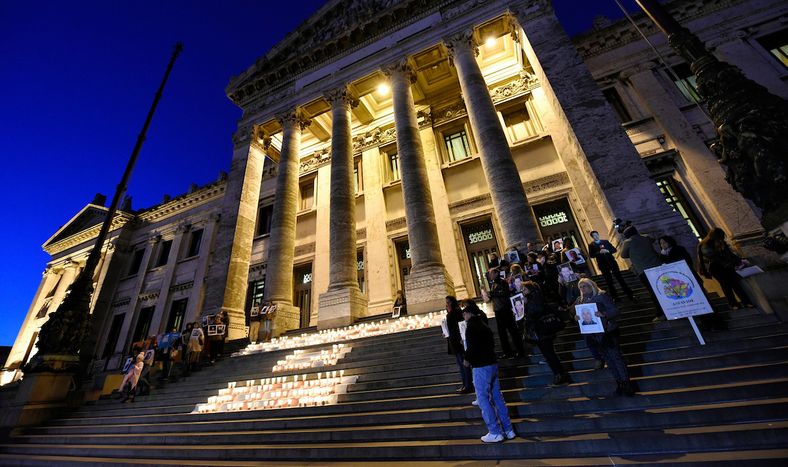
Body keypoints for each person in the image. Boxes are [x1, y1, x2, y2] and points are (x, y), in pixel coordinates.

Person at [462, 306, 516, 443]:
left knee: (483, 398)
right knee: (497, 396)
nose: (464, 317)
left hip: (480, 365)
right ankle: (508, 430)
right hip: (492, 363)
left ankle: (495, 431)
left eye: (464, 314)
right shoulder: (484, 325)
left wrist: (467, 359)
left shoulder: (471, 326)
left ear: (468, 314)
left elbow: (472, 346)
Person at [574, 278, 635, 396]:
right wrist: (576, 318)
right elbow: (577, 315)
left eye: (584, 286)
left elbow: (615, 310)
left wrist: (604, 314)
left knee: (616, 357)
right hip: (594, 334)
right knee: (608, 360)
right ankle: (619, 383)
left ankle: (627, 383)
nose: (582, 289)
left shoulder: (601, 296)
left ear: (591, 285)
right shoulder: (580, 301)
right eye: (580, 287)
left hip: (608, 331)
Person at [522, 281, 569, 386]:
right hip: (541, 331)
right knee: (549, 354)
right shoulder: (533, 298)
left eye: (524, 289)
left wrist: (527, 304)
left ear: (530, 289)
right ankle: (559, 373)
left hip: (543, 331)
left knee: (549, 354)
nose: (523, 291)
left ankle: (559, 374)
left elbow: (536, 312)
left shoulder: (534, 299)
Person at [698, 228, 755, 310]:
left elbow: (729, 254)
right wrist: (728, 262)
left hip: (726, 266)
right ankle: (733, 304)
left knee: (735, 284)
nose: (722, 238)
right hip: (715, 268)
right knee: (726, 285)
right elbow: (712, 256)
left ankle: (746, 302)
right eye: (720, 237)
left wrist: (739, 261)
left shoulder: (721, 243)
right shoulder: (705, 244)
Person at [620, 225, 664, 321]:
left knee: (653, 292)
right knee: (664, 288)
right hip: (658, 266)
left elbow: (623, 255)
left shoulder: (628, 242)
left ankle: (661, 313)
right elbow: (652, 239)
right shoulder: (646, 237)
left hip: (644, 270)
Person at [588, 231, 633, 301]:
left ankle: (630, 294)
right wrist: (599, 252)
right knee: (609, 282)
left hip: (611, 262)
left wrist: (608, 250)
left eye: (596, 235)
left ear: (598, 234)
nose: (596, 236)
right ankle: (615, 297)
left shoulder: (605, 242)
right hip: (602, 264)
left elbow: (614, 249)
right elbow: (591, 255)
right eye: (594, 236)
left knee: (620, 278)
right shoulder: (591, 245)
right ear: (592, 237)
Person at [489, 275, 525, 358]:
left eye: (491, 274)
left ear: (496, 274)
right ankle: (507, 352)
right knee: (502, 334)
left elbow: (505, 293)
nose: (490, 276)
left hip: (505, 309)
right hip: (498, 311)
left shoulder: (502, 282)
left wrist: (493, 293)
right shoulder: (493, 284)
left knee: (513, 331)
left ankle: (520, 351)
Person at [445, 296, 473, 394]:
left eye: (448, 302)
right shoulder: (451, 313)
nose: (447, 304)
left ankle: (468, 385)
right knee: (461, 365)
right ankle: (465, 384)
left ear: (453, 302)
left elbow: (459, 327)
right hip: (454, 342)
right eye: (446, 303)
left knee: (463, 364)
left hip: (458, 342)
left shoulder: (456, 312)